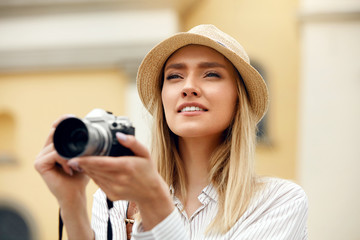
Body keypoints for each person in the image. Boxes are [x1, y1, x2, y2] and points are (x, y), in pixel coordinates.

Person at [35, 24, 308, 239]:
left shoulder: (278, 202)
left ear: (239, 100)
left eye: (211, 74)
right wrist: (71, 203)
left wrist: (154, 201)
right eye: (174, 76)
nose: (188, 87)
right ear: (163, 98)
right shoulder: (117, 202)